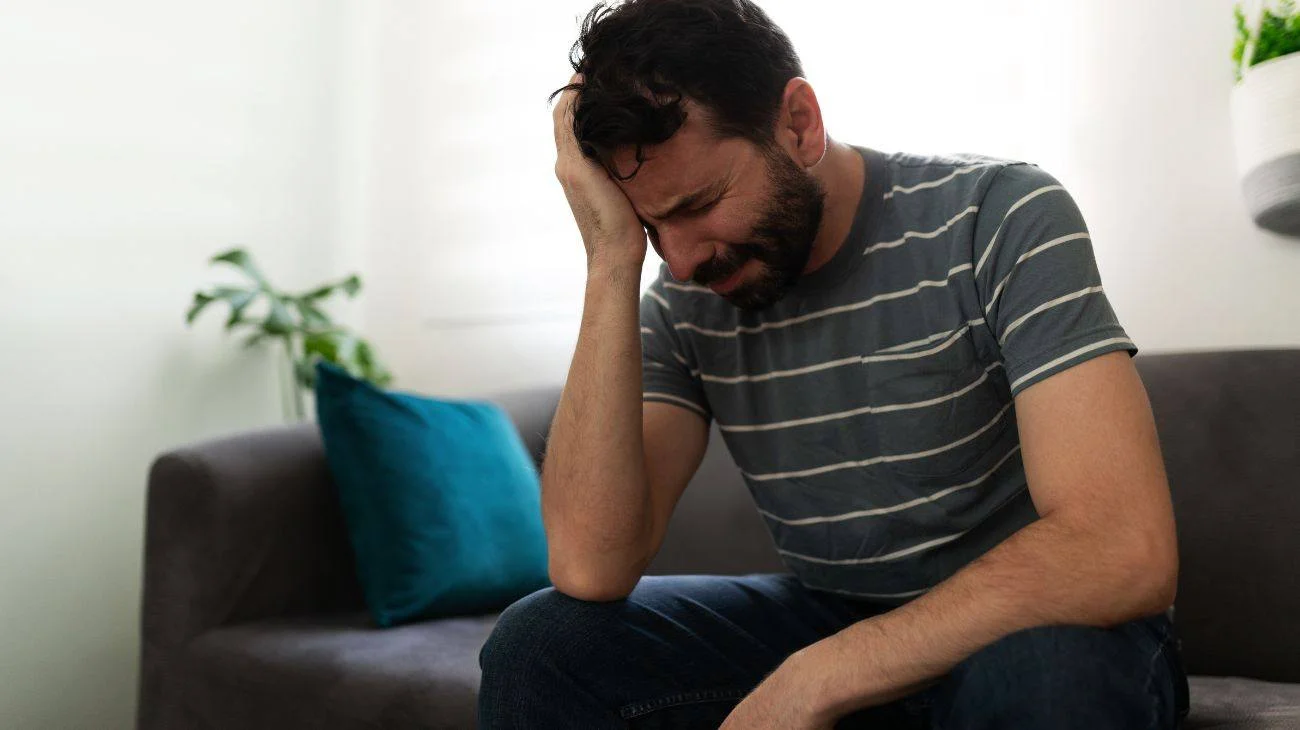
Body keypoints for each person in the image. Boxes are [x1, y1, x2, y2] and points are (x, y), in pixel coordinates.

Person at [479, 1, 1190, 727]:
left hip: (1028, 630)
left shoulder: (998, 215)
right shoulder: (685, 303)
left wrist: (821, 675)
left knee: (1051, 674)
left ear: (799, 124)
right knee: (544, 646)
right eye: (650, 225)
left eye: (698, 204)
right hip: (831, 615)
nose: (682, 260)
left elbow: (1119, 547)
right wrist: (610, 260)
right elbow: (590, 567)